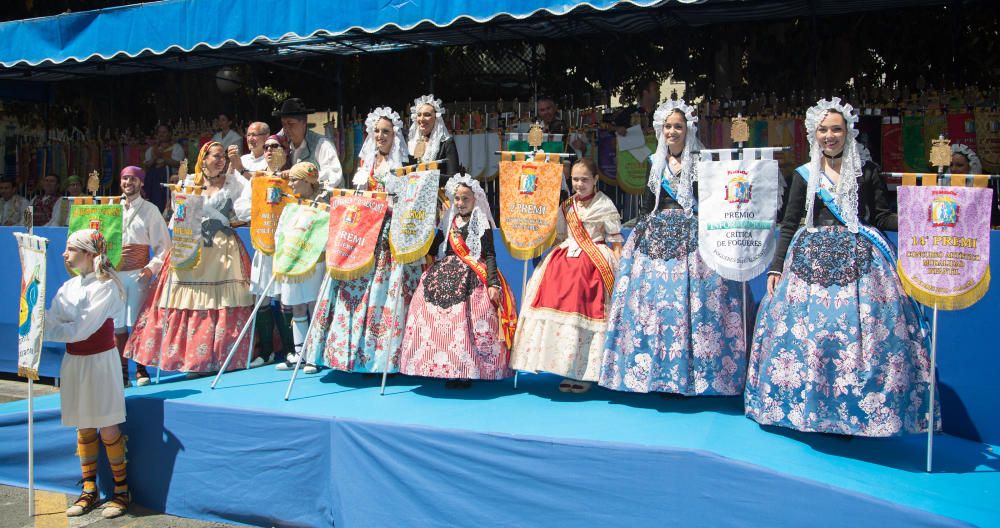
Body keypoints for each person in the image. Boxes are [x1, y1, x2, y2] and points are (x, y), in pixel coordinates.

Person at [744, 98, 936, 437]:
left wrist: (919, 217)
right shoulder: (803, 175)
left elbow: (879, 216)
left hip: (862, 264)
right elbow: (789, 224)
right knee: (812, 336)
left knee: (860, 337)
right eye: (823, 129)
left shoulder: (868, 171)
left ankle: (855, 413)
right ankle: (811, 408)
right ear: (813, 134)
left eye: (836, 129)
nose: (830, 135)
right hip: (809, 263)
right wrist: (776, 268)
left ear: (848, 132)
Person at [599, 99, 747, 396]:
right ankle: (654, 373)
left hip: (694, 240)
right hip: (654, 240)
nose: (672, 132)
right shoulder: (655, 162)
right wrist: (641, 233)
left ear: (688, 129)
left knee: (691, 306)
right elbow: (645, 203)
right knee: (654, 307)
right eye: (667, 126)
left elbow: (713, 202)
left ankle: (693, 375)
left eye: (678, 126)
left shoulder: (702, 162)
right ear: (660, 130)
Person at [302, 107, 420, 375]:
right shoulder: (366, 163)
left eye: (386, 132)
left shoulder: (403, 164)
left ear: (395, 135)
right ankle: (345, 352)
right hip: (365, 231)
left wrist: (389, 204)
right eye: (376, 131)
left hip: (390, 234)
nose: (380, 136)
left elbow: (408, 201)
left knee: (386, 291)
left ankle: (386, 357)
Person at [125, 142, 254, 376]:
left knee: (220, 301)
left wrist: (239, 173)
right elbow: (179, 214)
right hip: (191, 248)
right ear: (203, 158)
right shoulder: (188, 180)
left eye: (223, 156)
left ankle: (220, 355)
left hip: (221, 249)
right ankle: (190, 358)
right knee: (186, 299)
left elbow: (248, 205)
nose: (221, 160)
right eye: (216, 156)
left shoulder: (233, 182)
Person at [510, 158, 623, 393]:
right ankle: (564, 367)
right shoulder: (566, 206)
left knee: (584, 306)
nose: (579, 184)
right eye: (575, 179)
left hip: (594, 263)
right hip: (563, 261)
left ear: (595, 180)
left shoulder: (605, 205)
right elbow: (561, 237)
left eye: (584, 179)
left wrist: (620, 269)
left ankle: (584, 372)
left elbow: (615, 240)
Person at [398, 174, 516, 388]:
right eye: (457, 199)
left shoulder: (480, 220)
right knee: (431, 317)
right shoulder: (449, 220)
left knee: (465, 323)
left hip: (472, 275)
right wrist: (412, 243)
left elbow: (489, 254)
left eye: (465, 199)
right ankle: (445, 367)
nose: (460, 203)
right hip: (444, 273)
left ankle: (467, 369)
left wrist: (492, 283)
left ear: (475, 199)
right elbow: (435, 247)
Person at [46, 229, 130, 519]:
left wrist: (53, 328)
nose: (64, 254)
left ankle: (121, 490)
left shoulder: (105, 286)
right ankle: (89, 489)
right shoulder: (68, 287)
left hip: (99, 362)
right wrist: (38, 320)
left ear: (90, 254)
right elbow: (55, 316)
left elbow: (82, 328)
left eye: (70, 248)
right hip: (75, 361)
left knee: (106, 425)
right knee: (83, 426)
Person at [235, 134, 292, 365]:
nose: (269, 151)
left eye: (274, 146)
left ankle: (291, 349)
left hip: (286, 247)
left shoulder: (292, 177)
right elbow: (240, 208)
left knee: (287, 298)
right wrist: (258, 210)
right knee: (262, 298)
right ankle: (266, 351)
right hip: (263, 244)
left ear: (285, 151)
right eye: (266, 147)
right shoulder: (256, 180)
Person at [115, 166, 171, 387]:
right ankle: (121, 373)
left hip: (139, 273)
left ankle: (141, 369)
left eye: (133, 179)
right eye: (125, 178)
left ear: (141, 183)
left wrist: (150, 268)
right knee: (118, 324)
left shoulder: (150, 210)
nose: (128, 182)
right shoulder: (111, 209)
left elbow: (163, 247)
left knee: (137, 322)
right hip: (114, 274)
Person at [270, 162, 326, 374]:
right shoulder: (290, 206)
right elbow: (281, 231)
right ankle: (299, 352)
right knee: (297, 307)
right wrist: (282, 252)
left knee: (313, 305)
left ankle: (314, 354)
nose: (290, 184)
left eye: (295, 180)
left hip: (313, 262)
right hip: (292, 260)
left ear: (307, 181)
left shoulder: (322, 205)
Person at [273, 98, 344, 189]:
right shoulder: (284, 144)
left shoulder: (322, 144)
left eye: (290, 123)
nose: (286, 128)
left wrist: (302, 174)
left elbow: (334, 175)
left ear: (304, 123)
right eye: (283, 124)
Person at [408, 94, 462, 179]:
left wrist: (428, 177)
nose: (421, 119)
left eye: (427, 115)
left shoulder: (447, 143)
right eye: (419, 115)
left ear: (436, 119)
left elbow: (454, 177)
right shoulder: (413, 143)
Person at [950, 143, 997, 226]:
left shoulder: (983, 189)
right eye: (951, 165)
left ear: (971, 167)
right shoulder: (942, 187)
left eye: (959, 165)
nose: (953, 169)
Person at [142, 124, 185, 211]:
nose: (161, 134)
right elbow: (147, 165)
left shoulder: (177, 148)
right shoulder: (152, 149)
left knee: (169, 205)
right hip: (154, 183)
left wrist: (162, 156)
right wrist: (155, 157)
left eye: (164, 132)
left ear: (169, 134)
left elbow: (178, 164)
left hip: (170, 181)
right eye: (159, 132)